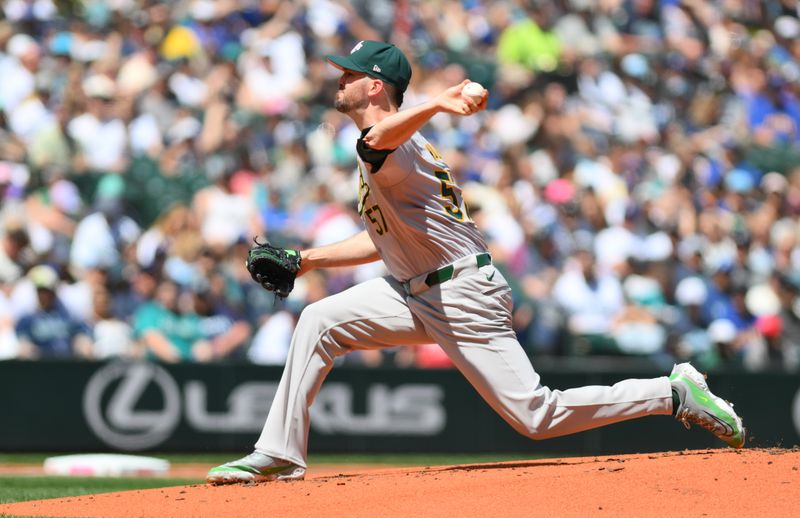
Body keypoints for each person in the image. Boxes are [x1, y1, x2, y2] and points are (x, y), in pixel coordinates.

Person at [206, 41, 745, 485]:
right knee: (318, 320)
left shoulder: (394, 144)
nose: (337, 82)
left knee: (537, 414)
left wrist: (439, 102)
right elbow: (380, 239)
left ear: (375, 85)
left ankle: (671, 392)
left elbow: (377, 141)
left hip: (462, 293)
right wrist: (307, 259)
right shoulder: (394, 147)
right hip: (414, 288)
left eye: (346, 74)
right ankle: (279, 452)